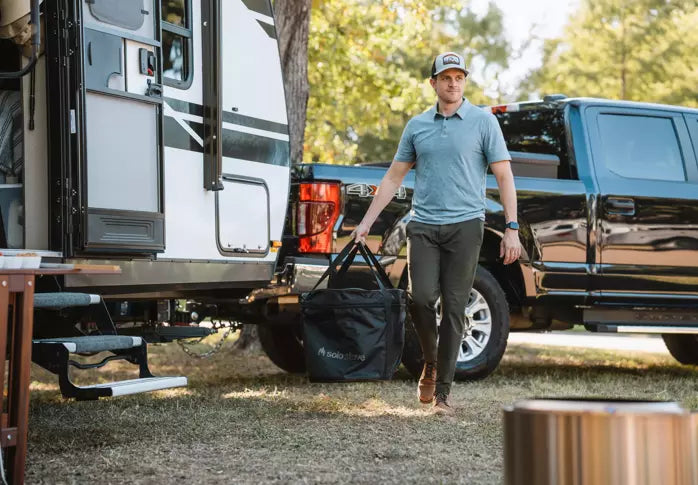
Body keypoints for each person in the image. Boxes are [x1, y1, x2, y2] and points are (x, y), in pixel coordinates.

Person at [351, 52, 522, 415]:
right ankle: (430, 362)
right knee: (421, 299)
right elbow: (394, 177)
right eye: (446, 77)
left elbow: (504, 176)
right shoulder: (417, 126)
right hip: (425, 225)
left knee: (456, 307)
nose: (453, 83)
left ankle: (442, 392)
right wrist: (366, 222)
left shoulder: (483, 122)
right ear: (433, 83)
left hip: (466, 226)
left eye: (459, 77)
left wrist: (511, 228)